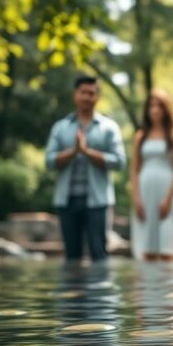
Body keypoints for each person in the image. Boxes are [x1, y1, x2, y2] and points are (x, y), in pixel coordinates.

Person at [45, 75, 126, 262]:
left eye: (92, 93)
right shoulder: (61, 127)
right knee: (71, 256)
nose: (87, 97)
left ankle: (98, 291)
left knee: (99, 254)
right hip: (67, 200)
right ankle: (73, 291)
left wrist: (87, 152)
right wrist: (74, 151)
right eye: (83, 92)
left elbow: (119, 162)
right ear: (75, 95)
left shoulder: (109, 128)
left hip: (97, 202)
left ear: (97, 97)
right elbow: (49, 161)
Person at [130, 89, 173, 262]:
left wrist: (167, 199)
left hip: (168, 193)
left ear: (166, 109)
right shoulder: (140, 137)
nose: (155, 110)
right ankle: (147, 288)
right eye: (152, 106)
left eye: (159, 106)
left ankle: (169, 288)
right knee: (147, 248)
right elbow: (134, 169)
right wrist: (136, 199)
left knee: (167, 247)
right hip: (145, 193)